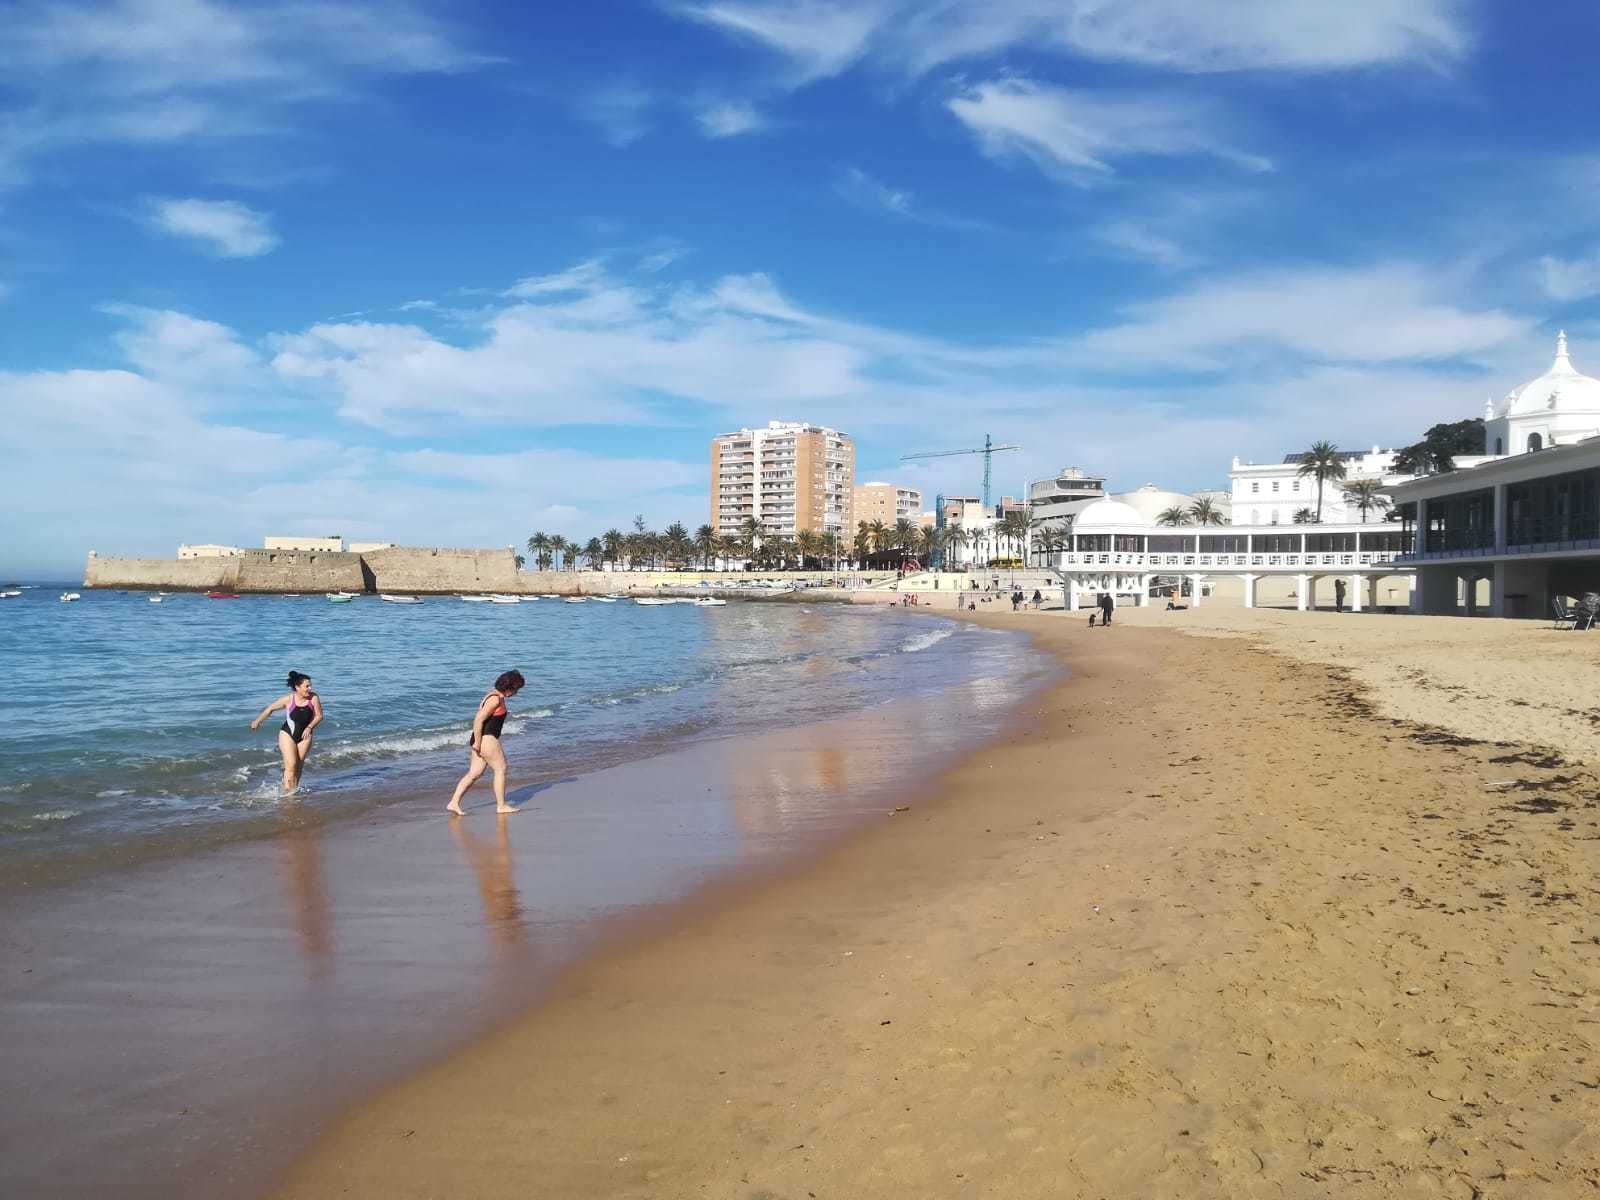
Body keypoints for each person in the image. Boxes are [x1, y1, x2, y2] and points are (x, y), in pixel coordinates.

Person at [447, 670, 526, 816]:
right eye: (517, 689)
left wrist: (477, 742)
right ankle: (501, 805)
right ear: (509, 688)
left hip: (481, 738)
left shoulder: (494, 695)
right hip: (486, 739)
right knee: (501, 769)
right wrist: (478, 742)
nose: (517, 693)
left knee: (474, 773)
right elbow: (478, 720)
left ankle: (454, 802)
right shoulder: (494, 699)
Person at [251, 671, 324, 793]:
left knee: (298, 767)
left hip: (305, 736)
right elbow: (270, 709)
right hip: (287, 734)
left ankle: (292, 790)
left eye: (310, 685)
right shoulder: (289, 699)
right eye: (307, 686)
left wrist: (309, 727)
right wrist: (257, 721)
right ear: (297, 687)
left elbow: (319, 716)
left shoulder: (314, 698)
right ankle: (288, 795)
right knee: (291, 765)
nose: (310, 688)